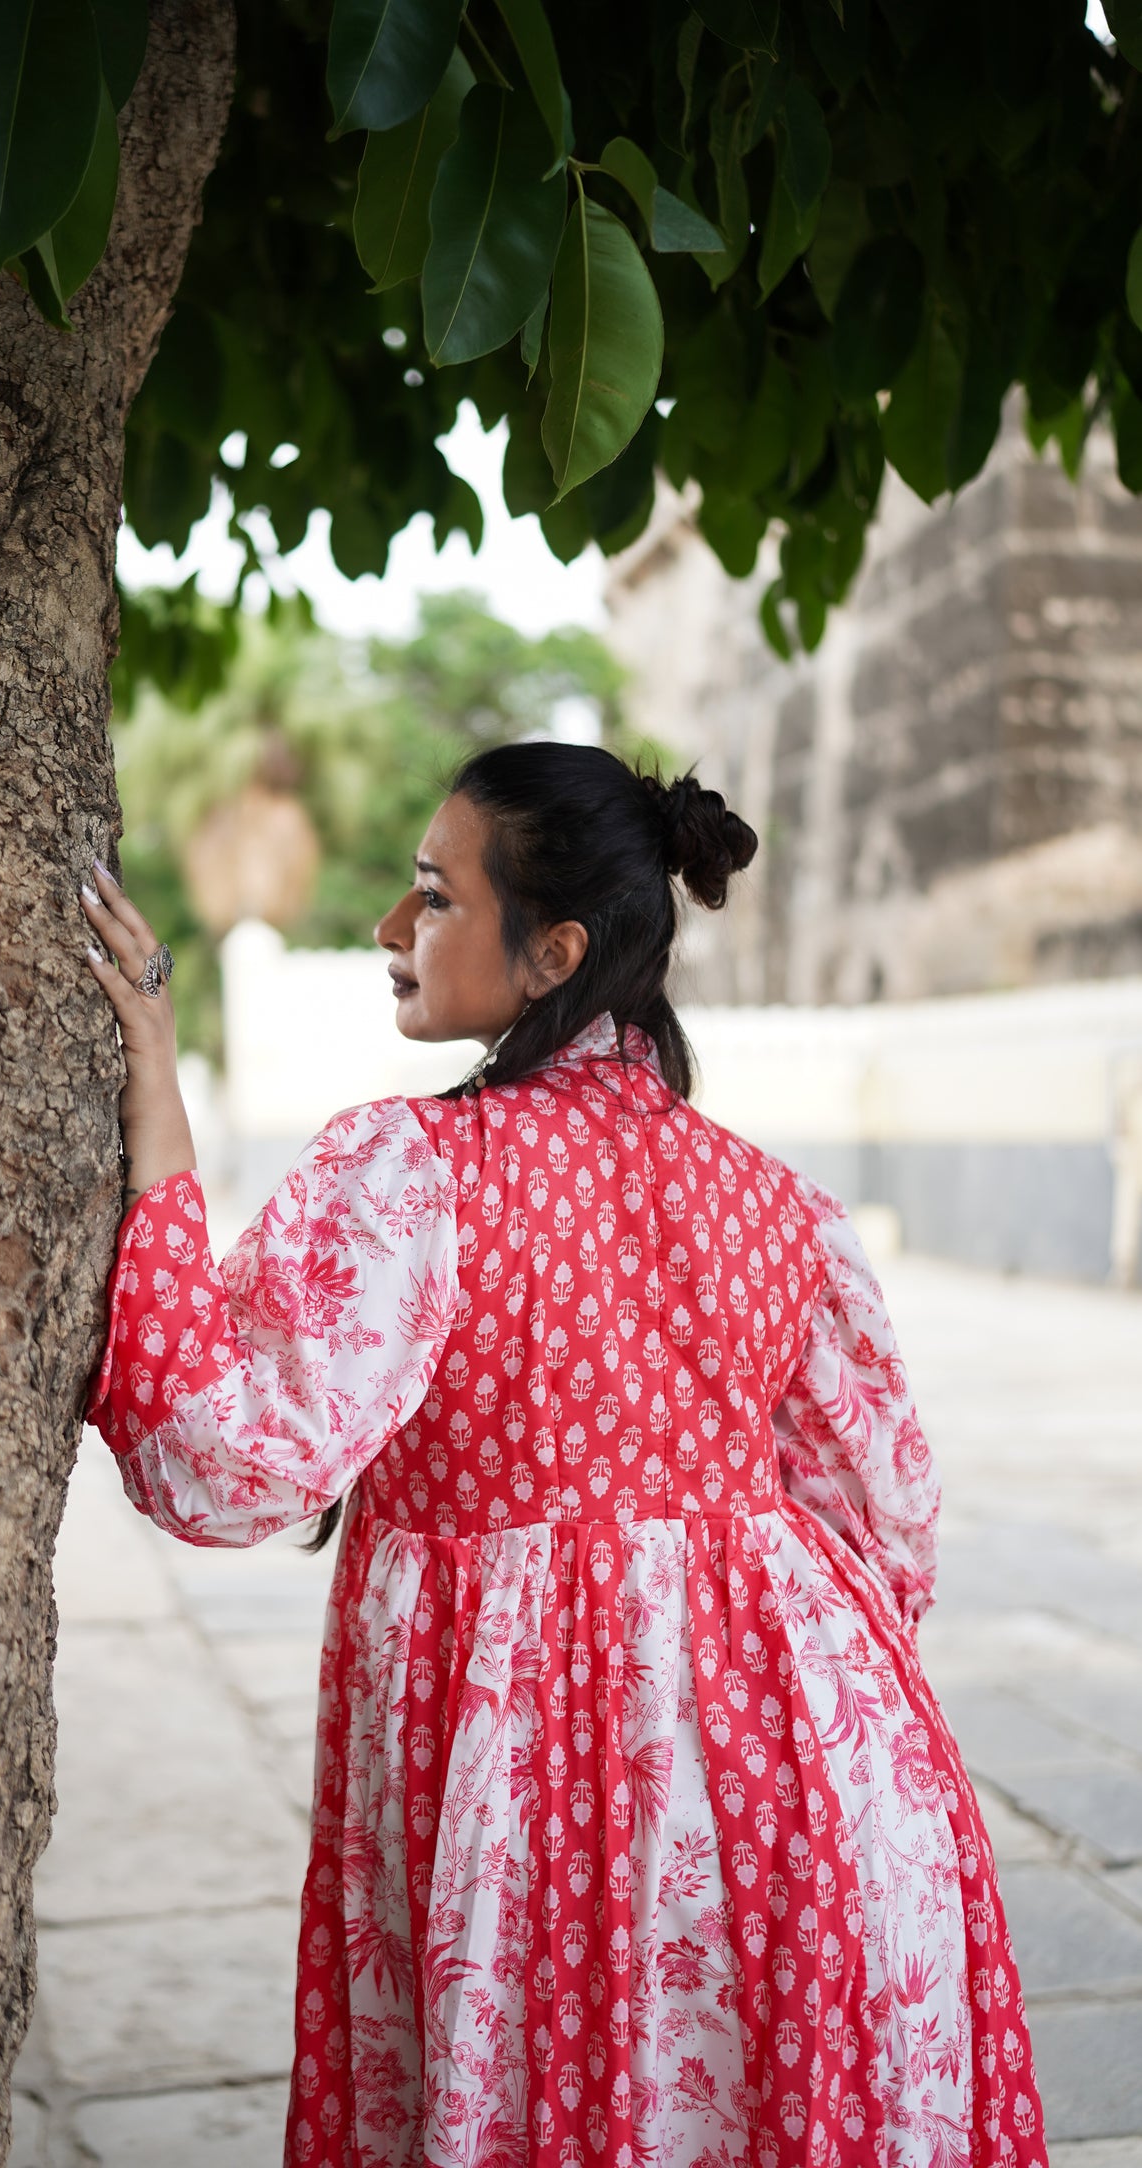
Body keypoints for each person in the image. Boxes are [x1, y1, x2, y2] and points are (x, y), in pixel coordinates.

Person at [81, 745, 1043, 2168]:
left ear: (555, 954)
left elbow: (222, 1461)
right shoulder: (780, 1208)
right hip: (833, 1821)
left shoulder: (420, 1174)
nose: (388, 932)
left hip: (542, 1821)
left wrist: (150, 1091)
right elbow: (883, 1536)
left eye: (430, 898)